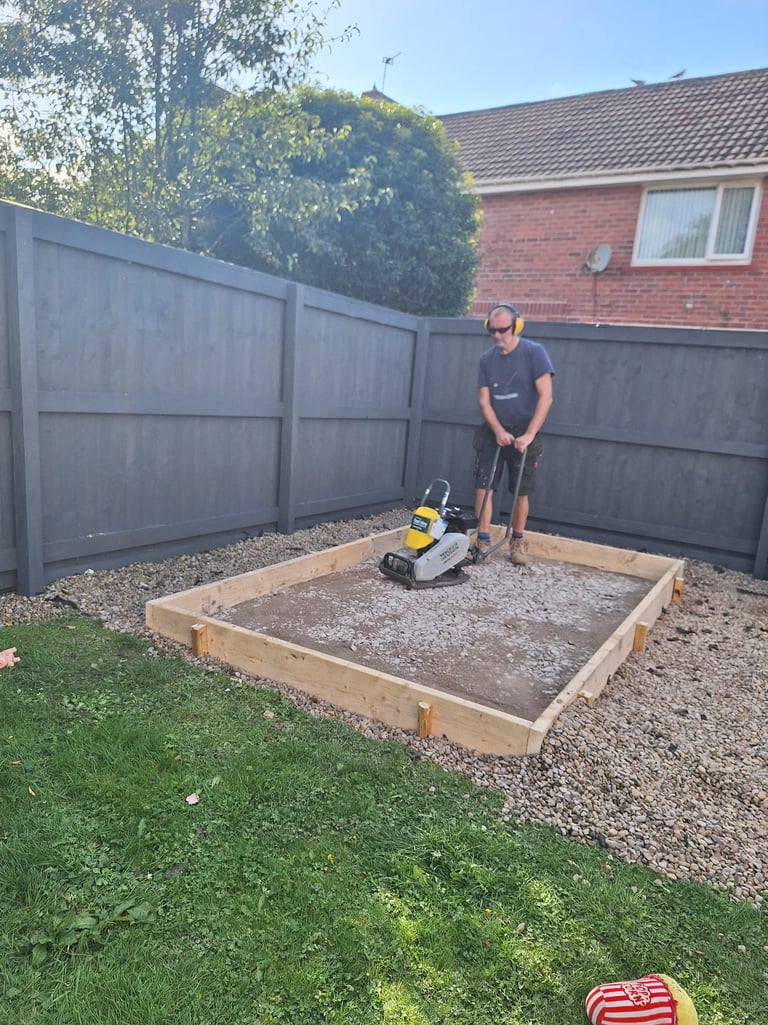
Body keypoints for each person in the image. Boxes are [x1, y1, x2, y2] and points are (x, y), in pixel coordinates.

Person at [473, 303, 554, 565]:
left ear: (516, 326)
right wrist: (498, 430)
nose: (497, 335)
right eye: (493, 331)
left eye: (503, 330)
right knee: (483, 488)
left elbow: (546, 397)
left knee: (521, 491)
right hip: (493, 432)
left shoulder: (534, 353)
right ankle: (482, 541)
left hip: (524, 434)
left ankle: (517, 542)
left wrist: (529, 434)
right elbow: (484, 401)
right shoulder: (486, 359)